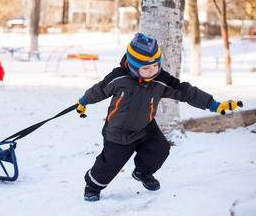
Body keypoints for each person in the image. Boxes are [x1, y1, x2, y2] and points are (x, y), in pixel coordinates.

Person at [75, 33, 243, 201]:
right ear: (133, 66)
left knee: (160, 150)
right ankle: (92, 186)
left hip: (145, 127)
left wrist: (213, 104)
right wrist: (83, 102)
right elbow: (99, 90)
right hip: (119, 132)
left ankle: (142, 172)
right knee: (109, 165)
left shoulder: (160, 80)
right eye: (146, 68)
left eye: (155, 65)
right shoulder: (119, 77)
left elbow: (185, 91)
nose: (152, 71)